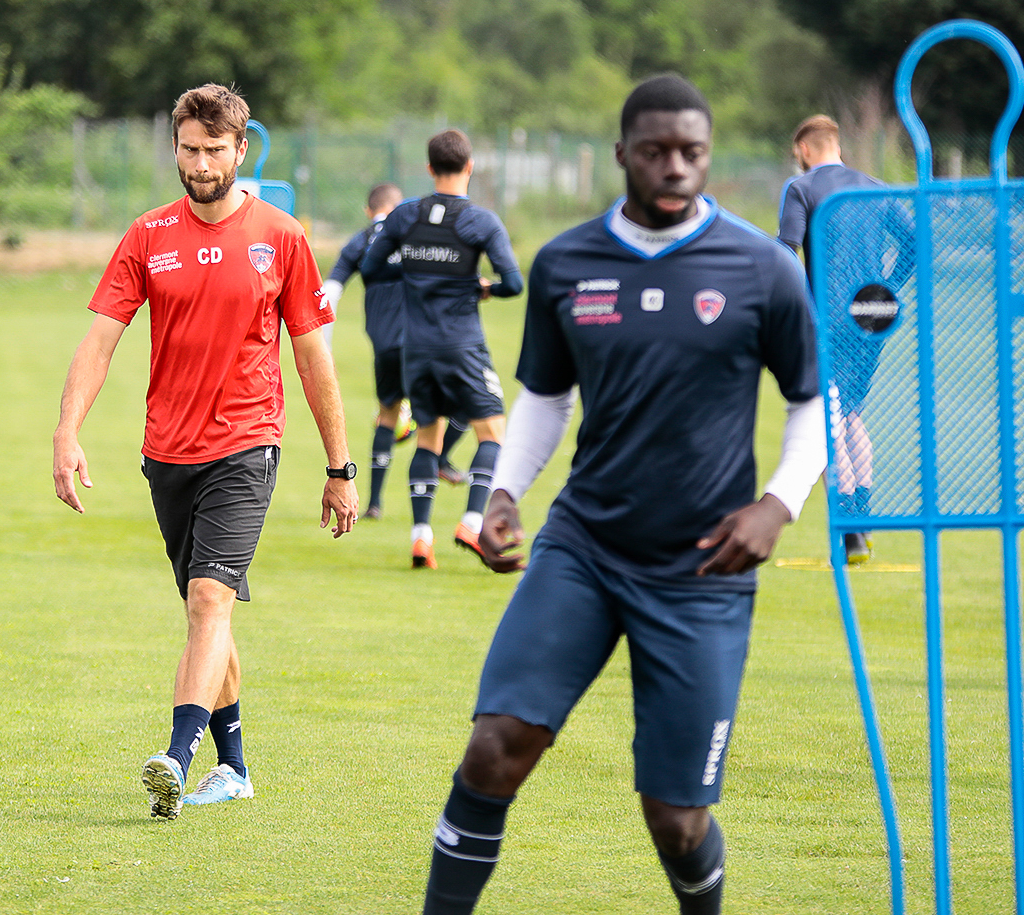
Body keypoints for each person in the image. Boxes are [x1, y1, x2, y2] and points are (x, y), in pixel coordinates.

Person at [419, 75, 825, 915]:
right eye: (655, 151)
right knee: (495, 749)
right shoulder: (567, 263)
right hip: (586, 548)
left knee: (675, 818)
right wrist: (503, 493)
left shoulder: (763, 267)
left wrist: (777, 504)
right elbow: (544, 400)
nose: (675, 167)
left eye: (692, 152)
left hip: (703, 568)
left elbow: (813, 405)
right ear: (621, 155)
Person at [52, 83, 359, 820]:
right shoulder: (148, 235)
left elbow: (313, 358)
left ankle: (176, 758)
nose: (199, 164)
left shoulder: (281, 236)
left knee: (208, 599)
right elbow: (100, 341)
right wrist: (66, 430)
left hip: (247, 445)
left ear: (240, 150)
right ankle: (236, 769)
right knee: (207, 615)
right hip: (167, 453)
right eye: (189, 149)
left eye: (214, 150)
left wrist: (339, 468)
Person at [361, 131, 522, 569]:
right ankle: (471, 521)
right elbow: (513, 283)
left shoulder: (405, 215)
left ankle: (421, 539)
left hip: (415, 348)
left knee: (427, 439)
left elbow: (372, 269)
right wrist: (482, 287)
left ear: (430, 168)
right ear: (470, 167)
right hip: (462, 345)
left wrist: (419, 279)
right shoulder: (481, 221)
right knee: (493, 433)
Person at [778, 114, 911, 565]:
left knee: (825, 419)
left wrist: (798, 309)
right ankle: (865, 523)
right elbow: (916, 243)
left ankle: (851, 527)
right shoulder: (876, 187)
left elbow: (785, 253)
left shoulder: (802, 189)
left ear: (805, 149)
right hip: (872, 319)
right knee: (850, 412)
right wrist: (886, 289)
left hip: (826, 322)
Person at [324, 183, 469, 521]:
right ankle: (440, 459)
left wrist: (325, 350)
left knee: (387, 415)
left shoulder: (360, 241)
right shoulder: (412, 234)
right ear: (400, 207)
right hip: (422, 341)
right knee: (464, 404)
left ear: (368, 210)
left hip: (383, 346)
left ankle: (374, 503)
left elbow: (329, 292)